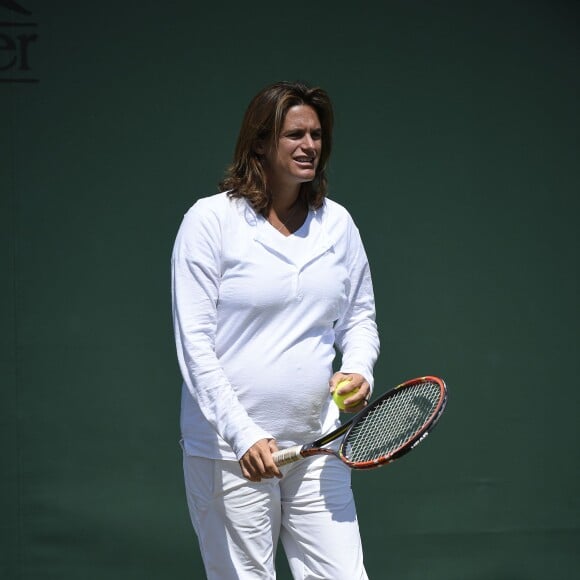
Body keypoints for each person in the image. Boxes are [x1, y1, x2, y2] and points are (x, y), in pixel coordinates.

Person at [171, 80, 380, 579]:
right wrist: (244, 436)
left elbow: (359, 318)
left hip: (318, 447)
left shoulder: (338, 225)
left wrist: (358, 370)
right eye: (294, 134)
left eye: (316, 134)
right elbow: (194, 346)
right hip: (230, 454)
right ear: (260, 142)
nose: (310, 145)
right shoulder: (210, 221)